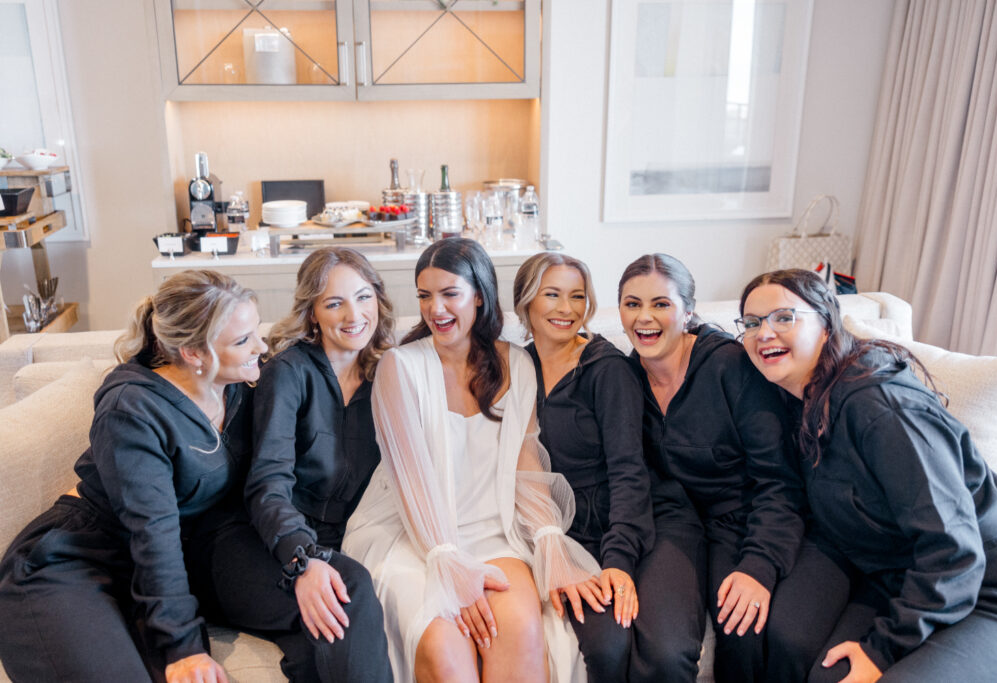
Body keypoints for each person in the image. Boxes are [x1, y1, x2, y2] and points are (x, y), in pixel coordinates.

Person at [737, 268, 997, 683]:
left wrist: (884, 650)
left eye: (784, 317)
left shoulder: (882, 408)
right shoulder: (798, 397)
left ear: (824, 324)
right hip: (900, 575)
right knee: (824, 672)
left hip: (989, 586)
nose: (764, 333)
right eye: (751, 323)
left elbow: (954, 548)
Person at [342, 238, 601, 683]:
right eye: (424, 295)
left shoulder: (517, 364)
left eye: (449, 294)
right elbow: (412, 481)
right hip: (412, 536)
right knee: (446, 648)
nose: (434, 309)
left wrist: (548, 537)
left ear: (479, 295)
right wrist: (448, 562)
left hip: (495, 532)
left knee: (519, 628)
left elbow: (526, 462)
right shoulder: (399, 368)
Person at [0, 270, 264, 682]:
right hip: (69, 563)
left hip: (140, 574)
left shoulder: (234, 386)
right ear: (194, 352)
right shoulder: (132, 408)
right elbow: (152, 530)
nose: (260, 348)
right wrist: (183, 647)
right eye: (244, 340)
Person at [186, 247, 394, 681]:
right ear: (313, 312)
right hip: (252, 541)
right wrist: (304, 560)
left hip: (331, 540)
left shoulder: (388, 377)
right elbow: (267, 483)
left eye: (363, 297)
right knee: (348, 588)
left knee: (318, 646)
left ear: (378, 298)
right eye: (334, 303)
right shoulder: (288, 372)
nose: (353, 315)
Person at [619, 254, 825, 683]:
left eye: (661, 304)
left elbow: (779, 480)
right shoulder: (623, 377)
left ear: (689, 311)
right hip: (679, 526)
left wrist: (758, 566)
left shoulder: (731, 365)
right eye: (632, 304)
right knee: (668, 648)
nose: (645, 318)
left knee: (744, 630)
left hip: (749, 519)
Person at [513, 251, 654, 682]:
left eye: (577, 296)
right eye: (551, 294)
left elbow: (630, 471)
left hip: (604, 527)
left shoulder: (606, 370)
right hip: (540, 525)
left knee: (608, 643)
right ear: (525, 303)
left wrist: (618, 559)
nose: (566, 309)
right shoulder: (518, 365)